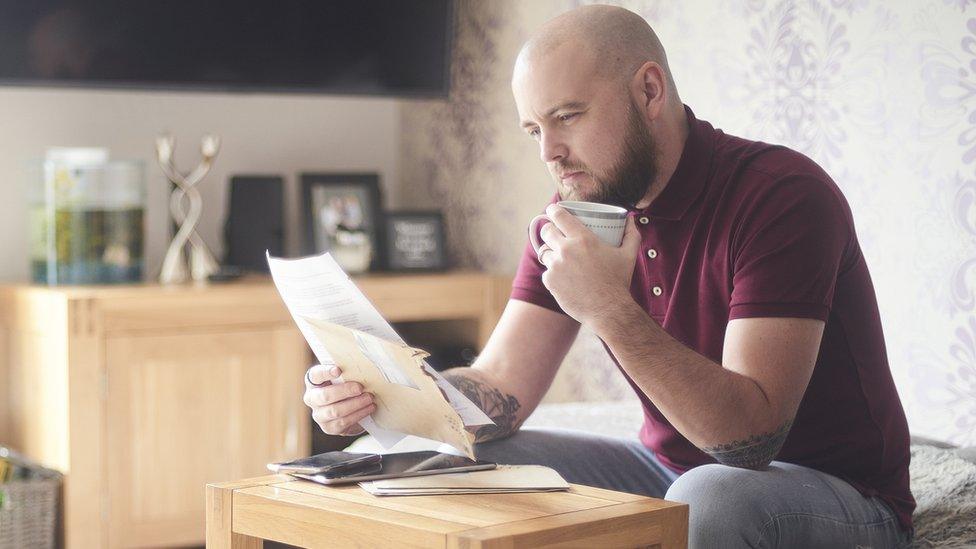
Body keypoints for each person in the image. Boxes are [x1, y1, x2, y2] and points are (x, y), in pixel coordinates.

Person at [303, 4, 914, 547]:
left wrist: (608, 310)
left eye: (567, 116)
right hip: (670, 473)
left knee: (713, 498)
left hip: (830, 492)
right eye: (534, 129)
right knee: (429, 463)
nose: (549, 152)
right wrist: (389, 402)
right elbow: (502, 386)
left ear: (650, 90)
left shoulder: (781, 195)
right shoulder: (572, 220)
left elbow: (749, 443)